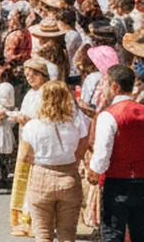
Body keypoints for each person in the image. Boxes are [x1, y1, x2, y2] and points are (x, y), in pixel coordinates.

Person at [19, 79, 89, 242]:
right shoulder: (76, 123)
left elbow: (25, 156)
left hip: (41, 176)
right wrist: (73, 159)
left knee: (42, 231)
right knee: (67, 231)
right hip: (69, 176)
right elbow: (83, 144)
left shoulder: (32, 126)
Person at [86, 63, 144, 242]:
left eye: (105, 84)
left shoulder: (109, 115)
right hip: (141, 180)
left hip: (117, 181)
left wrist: (94, 172)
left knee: (113, 233)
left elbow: (102, 154)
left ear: (114, 86)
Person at [8, 56, 52, 237]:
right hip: (26, 140)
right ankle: (24, 219)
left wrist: (26, 119)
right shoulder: (30, 93)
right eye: (27, 75)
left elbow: (47, 118)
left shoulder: (46, 93)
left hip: (39, 143)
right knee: (23, 179)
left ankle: (35, 221)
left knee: (35, 182)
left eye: (34, 74)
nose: (30, 78)